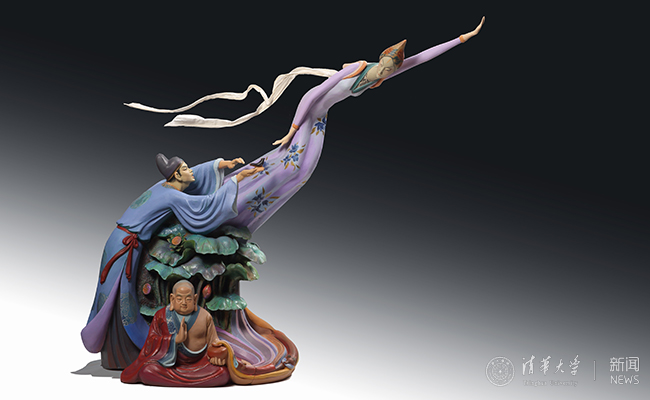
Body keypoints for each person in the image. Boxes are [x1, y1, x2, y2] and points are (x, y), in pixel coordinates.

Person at [125, 18, 485, 234]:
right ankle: (237, 193)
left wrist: (461, 39)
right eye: (386, 66)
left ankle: (252, 206)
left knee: (302, 172)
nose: (387, 72)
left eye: (391, 70)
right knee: (289, 163)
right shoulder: (358, 68)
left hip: (321, 119)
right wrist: (292, 129)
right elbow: (313, 94)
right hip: (309, 113)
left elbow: (420, 58)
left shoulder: (381, 77)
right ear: (380, 59)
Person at [81, 153, 262, 369]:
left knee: (119, 296)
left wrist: (221, 164)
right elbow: (205, 205)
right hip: (124, 246)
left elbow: (196, 174)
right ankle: (122, 352)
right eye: (185, 168)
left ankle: (119, 352)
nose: (191, 171)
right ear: (176, 174)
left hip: (119, 240)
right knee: (118, 298)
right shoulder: (172, 196)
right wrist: (236, 180)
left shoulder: (163, 185)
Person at [120, 280, 231, 386]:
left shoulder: (205, 316)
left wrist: (219, 354)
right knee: (147, 370)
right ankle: (196, 382)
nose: (184, 303)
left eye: (188, 299)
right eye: (179, 299)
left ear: (195, 299)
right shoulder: (161, 316)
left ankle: (178, 381)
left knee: (222, 373)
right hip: (170, 365)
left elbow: (214, 342)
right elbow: (150, 343)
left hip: (200, 364)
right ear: (172, 299)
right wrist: (174, 339)